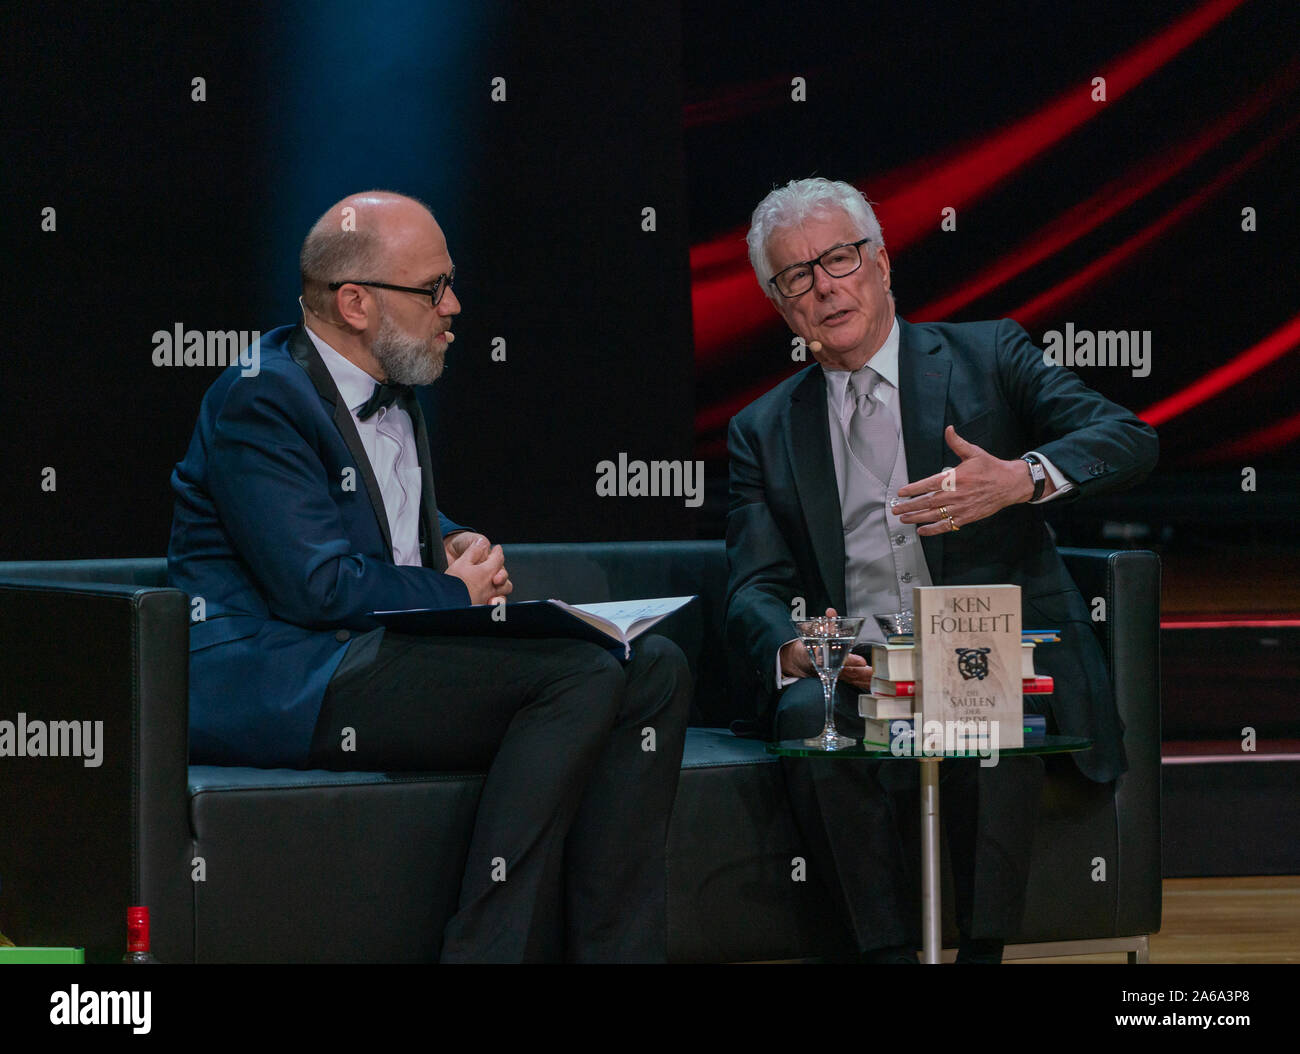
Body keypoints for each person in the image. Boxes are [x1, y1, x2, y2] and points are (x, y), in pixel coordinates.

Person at [167, 190, 690, 962]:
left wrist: (450, 541)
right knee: (577, 675)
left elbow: (369, 520)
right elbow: (314, 584)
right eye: (432, 288)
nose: (454, 304)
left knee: (655, 667)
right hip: (285, 674)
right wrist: (456, 592)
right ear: (354, 303)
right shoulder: (259, 397)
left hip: (368, 649)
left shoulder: (394, 383)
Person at [725, 177, 1159, 962]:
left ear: (882, 265)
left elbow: (1128, 438)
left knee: (983, 682)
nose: (825, 286)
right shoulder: (762, 430)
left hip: (990, 653)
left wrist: (1020, 478)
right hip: (863, 672)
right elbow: (755, 586)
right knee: (801, 716)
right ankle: (885, 955)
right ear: (783, 305)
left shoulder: (989, 354)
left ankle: (982, 956)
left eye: (840, 258)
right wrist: (793, 650)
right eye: (797, 276)